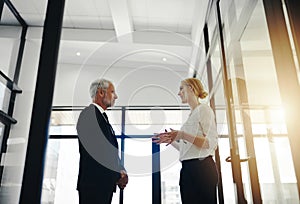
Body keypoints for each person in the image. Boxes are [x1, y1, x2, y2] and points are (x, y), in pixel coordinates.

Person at [153, 78, 219, 204]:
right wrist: (172, 140)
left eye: (181, 88)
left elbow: (210, 143)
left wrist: (182, 135)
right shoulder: (192, 115)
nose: (179, 93)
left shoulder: (204, 109)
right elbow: (188, 150)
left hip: (202, 169)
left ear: (192, 88)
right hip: (188, 168)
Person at [76, 78, 128, 204]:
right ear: (100, 93)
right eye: (112, 92)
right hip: (94, 184)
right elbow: (97, 152)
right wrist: (118, 175)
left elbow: (110, 149)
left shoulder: (102, 117)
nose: (116, 96)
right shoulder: (89, 115)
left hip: (102, 184)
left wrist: (121, 170)